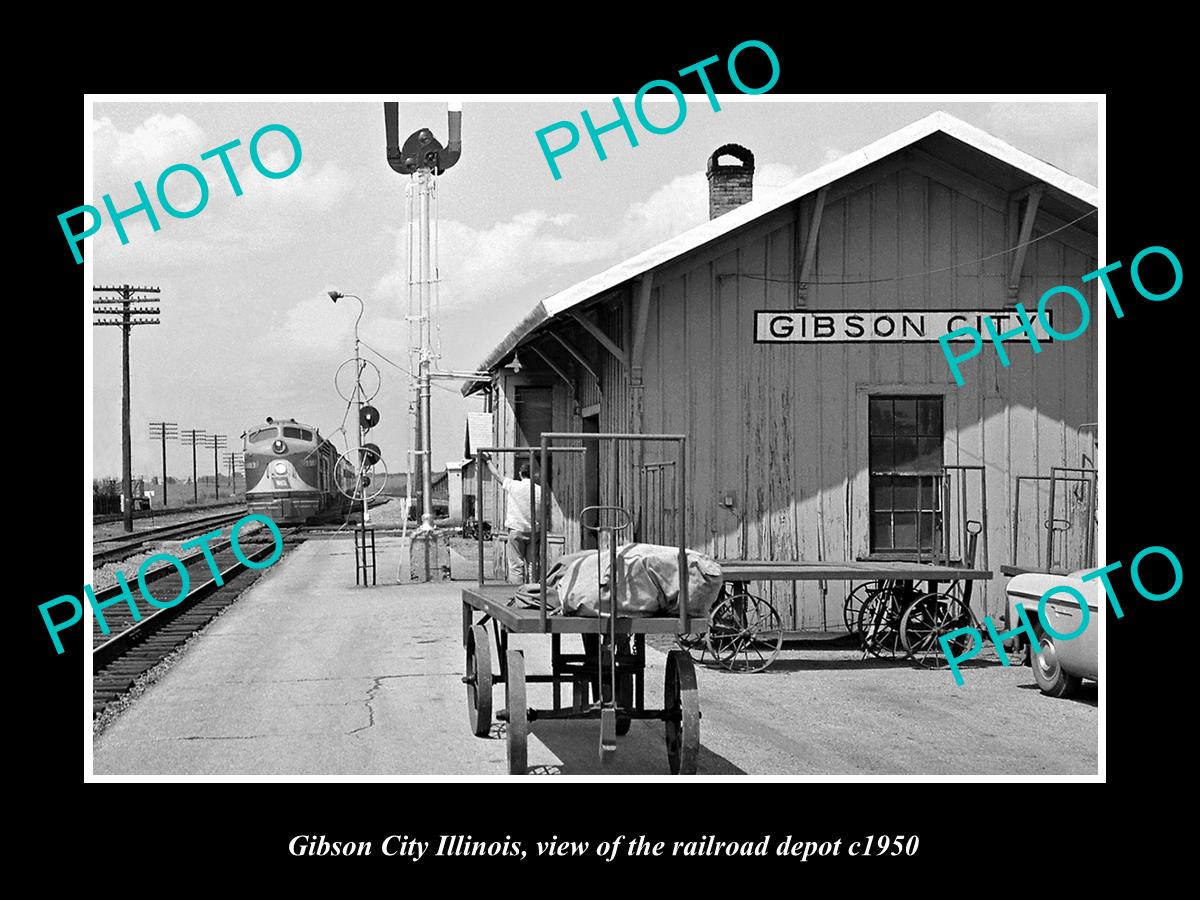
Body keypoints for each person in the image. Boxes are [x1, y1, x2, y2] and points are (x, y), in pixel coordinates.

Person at [483, 455, 543, 584]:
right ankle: (533, 592)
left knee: (516, 565)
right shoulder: (540, 490)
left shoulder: (513, 485)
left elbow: (497, 475)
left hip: (516, 529)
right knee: (533, 564)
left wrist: (488, 461)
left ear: (521, 474)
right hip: (534, 531)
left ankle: (518, 593)